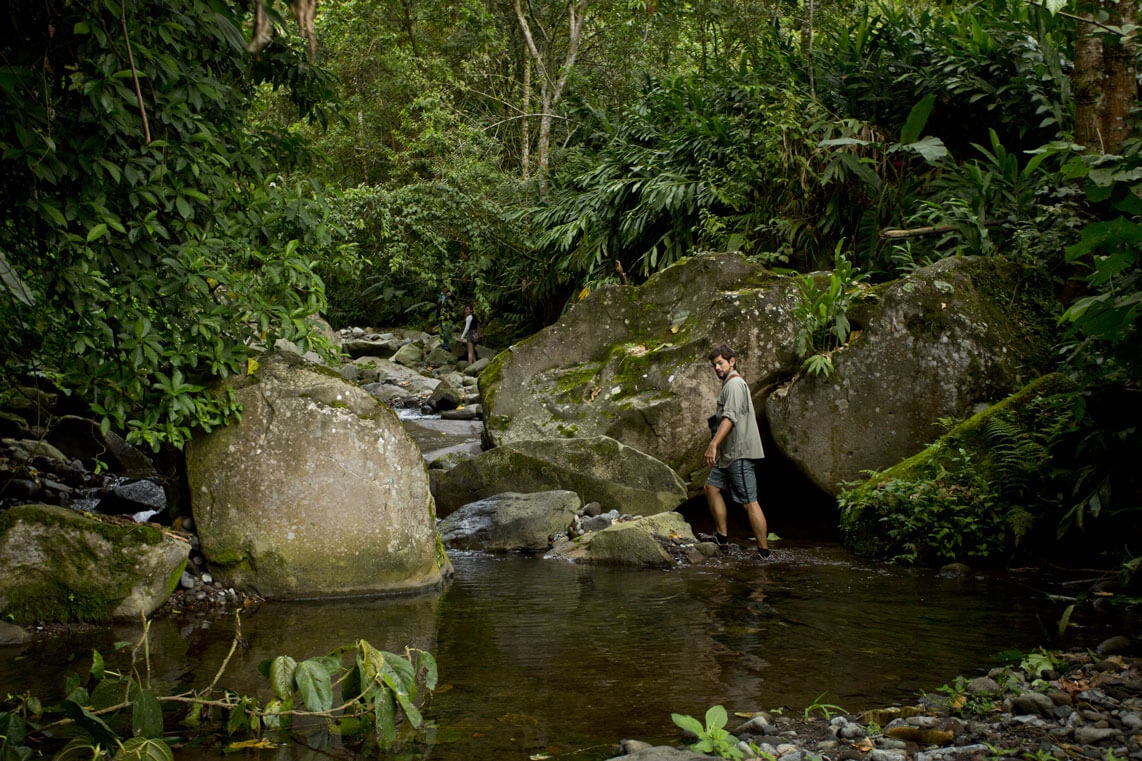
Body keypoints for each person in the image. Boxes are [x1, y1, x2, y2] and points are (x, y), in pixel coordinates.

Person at [704, 343, 770, 559]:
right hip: (728, 455)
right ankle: (721, 538)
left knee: (749, 502)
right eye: (715, 364)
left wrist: (713, 444)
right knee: (711, 488)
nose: (717, 368)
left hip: (740, 454)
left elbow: (729, 418)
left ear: (732, 361)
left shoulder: (734, 385)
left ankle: (763, 552)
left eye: (721, 363)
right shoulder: (729, 385)